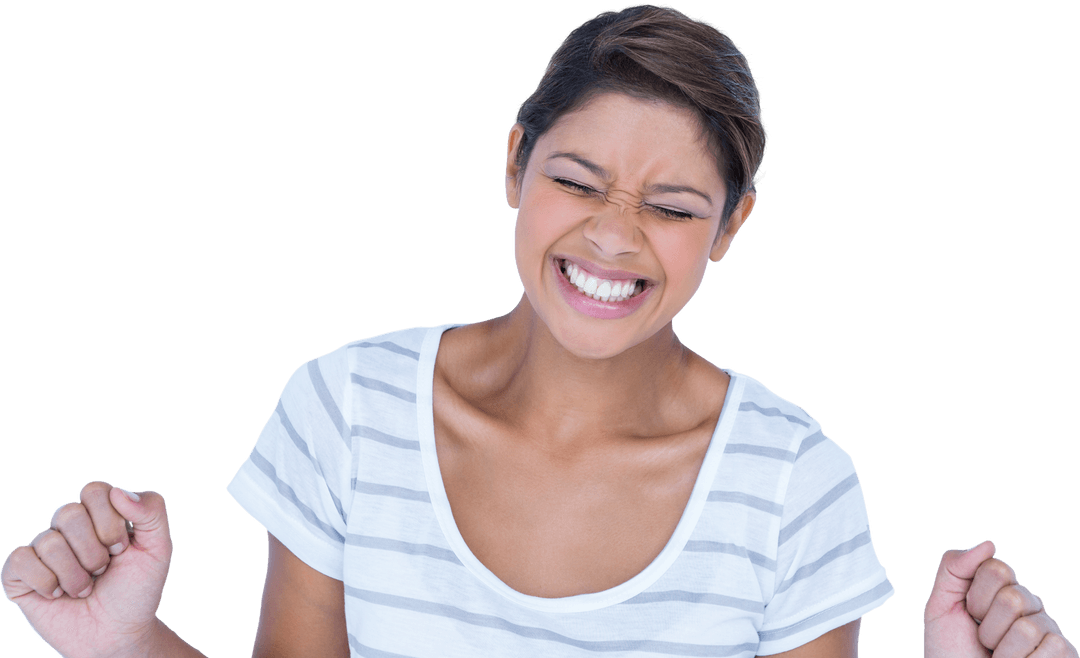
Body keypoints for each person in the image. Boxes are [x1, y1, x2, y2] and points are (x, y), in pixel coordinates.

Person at [3, 4, 1076, 657]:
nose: (613, 237)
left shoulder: (794, 483)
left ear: (731, 227)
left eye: (672, 207)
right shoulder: (349, 408)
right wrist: (123, 644)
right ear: (516, 163)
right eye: (578, 180)